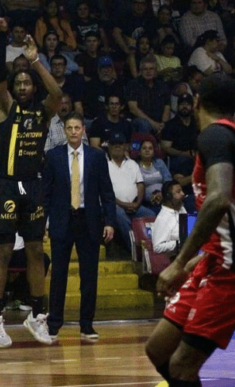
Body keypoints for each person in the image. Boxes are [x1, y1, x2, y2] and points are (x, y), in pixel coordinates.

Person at [145, 73, 235, 387]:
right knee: (158, 349)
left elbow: (219, 199)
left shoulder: (214, 136)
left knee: (183, 365)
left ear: (196, 102)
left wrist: (180, 262)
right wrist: (199, 260)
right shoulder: (226, 137)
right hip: (214, 260)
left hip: (228, 270)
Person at [0, 17, 62, 348]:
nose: (23, 87)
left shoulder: (43, 112)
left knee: (35, 249)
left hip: (33, 185)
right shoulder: (5, 109)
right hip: (6, 184)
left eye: (28, 83)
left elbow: (57, 93)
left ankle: (37, 315)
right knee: (2, 249)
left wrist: (35, 62)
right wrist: (3, 38)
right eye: (20, 84)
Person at [42, 112, 116, 343]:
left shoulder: (96, 156)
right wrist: (43, 221)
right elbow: (45, 193)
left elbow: (107, 192)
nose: (73, 132)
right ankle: (53, 326)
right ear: (64, 131)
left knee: (89, 276)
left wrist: (110, 222)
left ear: (84, 130)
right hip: (62, 219)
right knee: (59, 275)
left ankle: (87, 325)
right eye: (69, 128)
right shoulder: (53, 156)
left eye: (77, 128)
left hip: (89, 220)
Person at [106, 132, 156, 251]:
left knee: (151, 215)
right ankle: (135, 250)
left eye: (120, 144)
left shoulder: (132, 164)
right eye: (114, 144)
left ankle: (152, 250)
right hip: (115, 205)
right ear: (109, 147)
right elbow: (106, 192)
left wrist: (137, 203)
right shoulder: (104, 165)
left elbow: (140, 185)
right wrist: (123, 204)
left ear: (125, 147)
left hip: (135, 205)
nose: (117, 146)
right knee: (121, 216)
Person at [126, 55, 172, 135]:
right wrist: (153, 123)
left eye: (151, 69)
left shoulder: (162, 85)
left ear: (155, 71)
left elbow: (167, 106)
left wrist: (163, 123)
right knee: (144, 124)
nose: (148, 71)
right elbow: (133, 109)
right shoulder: (133, 84)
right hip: (140, 121)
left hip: (159, 122)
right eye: (145, 69)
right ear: (140, 71)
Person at [152, 180, 187, 257]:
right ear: (169, 196)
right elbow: (157, 247)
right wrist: (179, 243)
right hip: (175, 258)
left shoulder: (181, 208)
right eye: (178, 192)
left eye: (182, 191)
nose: (183, 194)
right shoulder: (162, 218)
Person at [138, 139, 172, 214]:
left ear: (153, 152)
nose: (147, 150)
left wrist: (163, 193)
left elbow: (168, 180)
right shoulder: (135, 166)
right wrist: (151, 197)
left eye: (150, 148)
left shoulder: (159, 163)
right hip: (147, 201)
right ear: (139, 152)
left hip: (164, 196)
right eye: (144, 148)